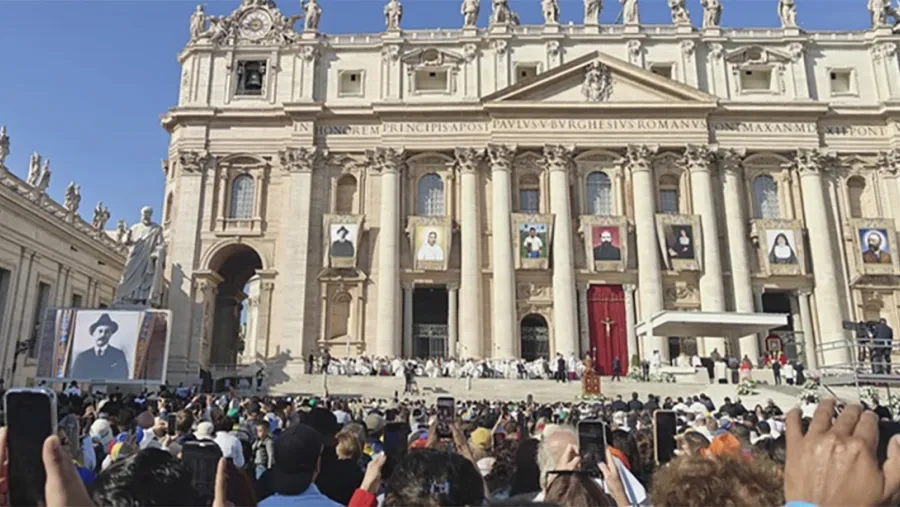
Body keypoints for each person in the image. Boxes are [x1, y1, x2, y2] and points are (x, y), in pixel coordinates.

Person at [71, 313, 130, 380]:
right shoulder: (82, 357)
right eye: (100, 331)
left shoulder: (118, 355)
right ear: (93, 333)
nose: (102, 335)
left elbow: (123, 377)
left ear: (111, 334)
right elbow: (75, 378)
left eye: (107, 332)